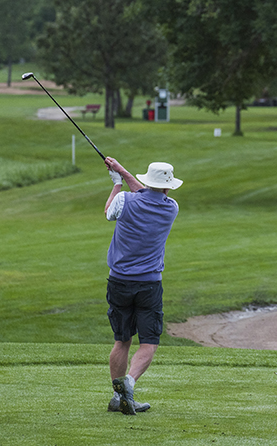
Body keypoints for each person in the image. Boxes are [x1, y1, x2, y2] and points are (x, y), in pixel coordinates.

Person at [103, 156, 183, 415]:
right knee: (148, 342)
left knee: (122, 340)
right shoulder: (171, 208)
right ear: (168, 188)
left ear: (148, 180)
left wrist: (117, 182)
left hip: (119, 281)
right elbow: (146, 194)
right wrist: (123, 173)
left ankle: (118, 395)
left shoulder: (125, 201)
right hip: (149, 285)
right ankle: (130, 383)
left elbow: (109, 212)